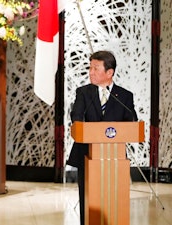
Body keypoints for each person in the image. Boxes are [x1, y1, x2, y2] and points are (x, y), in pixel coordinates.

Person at [66, 50, 138, 225]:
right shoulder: (83, 92)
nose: (91, 72)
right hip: (87, 154)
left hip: (115, 156)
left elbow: (132, 122)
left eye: (96, 68)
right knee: (87, 194)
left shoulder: (125, 96)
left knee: (114, 193)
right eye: (90, 68)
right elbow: (76, 117)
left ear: (109, 72)